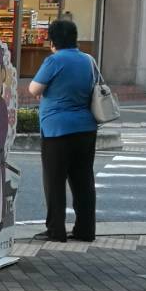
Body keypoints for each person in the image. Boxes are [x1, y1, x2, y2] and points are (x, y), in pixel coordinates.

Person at [28, 18, 98, 242]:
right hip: (86, 128)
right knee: (83, 181)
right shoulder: (88, 60)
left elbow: (34, 89)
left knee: (55, 182)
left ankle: (56, 230)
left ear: (53, 41)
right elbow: (95, 86)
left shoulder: (54, 60)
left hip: (57, 130)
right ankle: (85, 230)